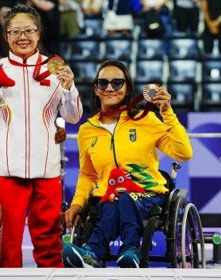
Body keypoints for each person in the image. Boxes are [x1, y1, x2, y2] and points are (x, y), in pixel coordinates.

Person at [0, 4, 82, 268]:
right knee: (8, 243)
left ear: (39, 33)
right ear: (6, 35)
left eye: (29, 31)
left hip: (47, 168)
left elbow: (74, 116)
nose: (23, 37)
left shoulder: (56, 67)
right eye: (16, 31)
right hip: (8, 169)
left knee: (49, 240)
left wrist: (69, 87)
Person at [61, 60, 192, 268]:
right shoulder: (87, 130)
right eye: (103, 83)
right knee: (114, 200)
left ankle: (129, 249)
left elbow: (183, 153)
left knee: (126, 198)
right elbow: (88, 174)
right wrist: (77, 204)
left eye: (117, 83)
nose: (110, 88)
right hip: (109, 196)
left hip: (148, 193)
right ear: (96, 89)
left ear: (128, 88)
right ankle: (93, 255)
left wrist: (167, 112)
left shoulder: (146, 119)